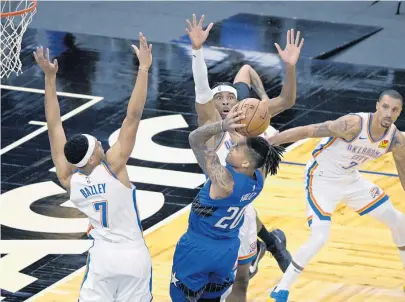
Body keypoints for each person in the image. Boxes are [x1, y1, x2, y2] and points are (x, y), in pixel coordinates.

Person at [185, 13, 304, 300]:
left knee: (241, 279)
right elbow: (202, 87)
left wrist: (289, 68)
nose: (225, 102)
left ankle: (266, 248)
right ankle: (271, 245)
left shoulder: (250, 117)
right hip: (213, 212)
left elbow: (287, 101)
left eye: (230, 98)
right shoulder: (213, 127)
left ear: (239, 102)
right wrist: (198, 51)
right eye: (219, 99)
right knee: (209, 283)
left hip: (241, 208)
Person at [33, 32, 154, 302]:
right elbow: (133, 116)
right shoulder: (113, 165)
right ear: (92, 158)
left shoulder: (68, 177)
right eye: (98, 145)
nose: (102, 144)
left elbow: (54, 127)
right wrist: (144, 69)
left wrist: (49, 80)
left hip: (103, 258)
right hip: (132, 255)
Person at [267, 90, 405, 302]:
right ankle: (281, 288)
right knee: (320, 237)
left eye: (394, 110)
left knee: (399, 221)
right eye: (385, 107)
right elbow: (308, 130)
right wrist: (271, 142)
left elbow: (403, 170)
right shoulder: (352, 124)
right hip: (321, 178)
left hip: (351, 180)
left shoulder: (395, 139)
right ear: (377, 106)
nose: (389, 113)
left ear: (399, 113)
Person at [169, 110, 285, 302]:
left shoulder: (223, 179)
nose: (231, 147)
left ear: (246, 162)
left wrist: (222, 126)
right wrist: (242, 130)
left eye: (237, 148)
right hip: (227, 251)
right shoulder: (258, 178)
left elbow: (194, 139)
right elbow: (254, 150)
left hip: (198, 248)